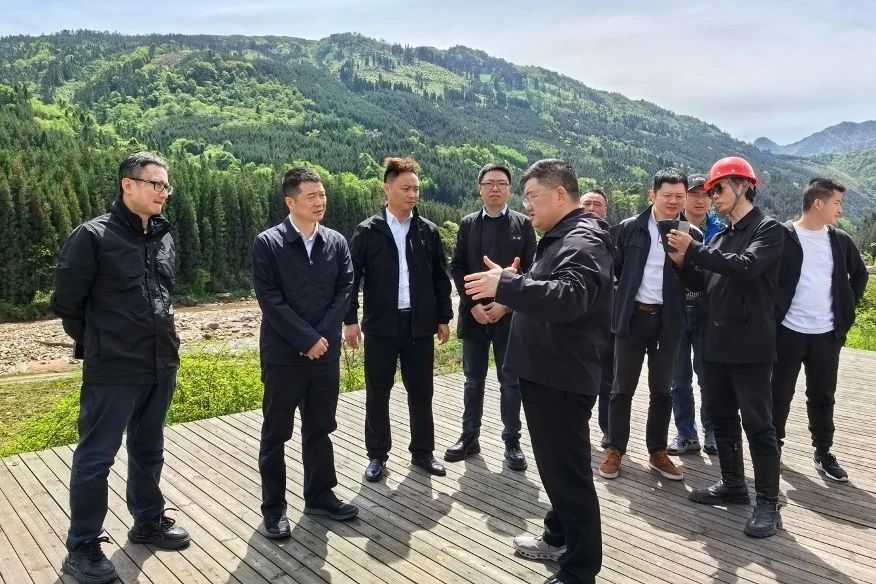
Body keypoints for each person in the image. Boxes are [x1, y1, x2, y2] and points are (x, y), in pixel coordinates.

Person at [465, 159, 614, 584]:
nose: (526, 205)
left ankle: (580, 569)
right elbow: (548, 288)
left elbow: (570, 297)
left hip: (561, 377)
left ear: (560, 194)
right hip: (546, 371)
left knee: (568, 474)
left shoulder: (583, 240)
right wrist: (515, 287)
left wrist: (507, 286)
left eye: (532, 196)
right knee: (554, 468)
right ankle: (558, 536)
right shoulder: (560, 236)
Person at [51, 151, 190, 584]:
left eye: (166, 185)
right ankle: (82, 546)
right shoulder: (92, 236)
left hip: (161, 361)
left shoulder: (163, 236)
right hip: (113, 367)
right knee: (96, 457)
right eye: (155, 184)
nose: (163, 192)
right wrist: (102, 344)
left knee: (149, 447)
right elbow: (68, 305)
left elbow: (163, 296)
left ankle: (147, 520)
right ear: (127, 185)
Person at [667, 155, 785, 538]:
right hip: (715, 343)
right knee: (721, 417)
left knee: (759, 425)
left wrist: (695, 250)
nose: (712, 196)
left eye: (718, 188)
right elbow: (702, 283)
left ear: (743, 186)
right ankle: (733, 485)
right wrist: (681, 263)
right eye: (710, 190)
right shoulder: (719, 237)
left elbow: (747, 267)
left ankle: (768, 503)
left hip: (751, 346)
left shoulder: (768, 230)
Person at [252, 167, 359, 539]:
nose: (320, 201)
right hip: (283, 357)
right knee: (275, 434)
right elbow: (270, 300)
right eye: (311, 195)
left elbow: (345, 290)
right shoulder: (268, 243)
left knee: (320, 429)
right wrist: (305, 339)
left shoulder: (336, 242)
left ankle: (320, 496)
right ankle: (274, 509)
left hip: (325, 355)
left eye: (322, 194)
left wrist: (321, 337)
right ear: (290, 201)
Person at [344, 157, 453, 482]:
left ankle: (423, 452)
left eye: (416, 189)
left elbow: (440, 278)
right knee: (378, 391)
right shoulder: (368, 231)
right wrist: (350, 320)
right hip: (381, 326)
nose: (412, 194)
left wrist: (444, 317)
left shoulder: (427, 231)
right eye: (406, 188)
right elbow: (351, 278)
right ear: (387, 189)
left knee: (421, 391)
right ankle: (377, 455)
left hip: (419, 325)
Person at [599, 169, 702, 482]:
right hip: (632, 318)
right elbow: (612, 271)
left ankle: (657, 451)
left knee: (662, 390)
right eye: (667, 195)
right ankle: (615, 448)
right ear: (652, 195)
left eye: (679, 196)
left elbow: (697, 282)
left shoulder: (691, 235)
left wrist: (683, 259)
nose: (673, 201)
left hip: (667, 321)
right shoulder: (629, 228)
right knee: (621, 388)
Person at [772, 178, 868, 482]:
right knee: (778, 394)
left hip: (826, 334)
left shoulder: (839, 240)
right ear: (818, 203)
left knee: (823, 395)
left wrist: (845, 308)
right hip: (787, 331)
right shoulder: (782, 236)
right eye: (837, 203)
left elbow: (860, 274)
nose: (840, 209)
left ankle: (823, 452)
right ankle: (773, 448)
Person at [444, 163, 536, 470]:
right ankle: (470, 436)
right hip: (474, 315)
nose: (495, 188)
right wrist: (472, 304)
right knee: (473, 380)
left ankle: (512, 441)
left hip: (510, 317)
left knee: (510, 381)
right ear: (480, 188)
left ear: (510, 189)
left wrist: (505, 305)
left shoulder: (523, 224)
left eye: (501, 183)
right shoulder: (468, 224)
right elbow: (457, 266)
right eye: (489, 183)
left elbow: (532, 270)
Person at [668, 174, 724, 456]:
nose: (700, 200)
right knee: (678, 380)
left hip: (709, 312)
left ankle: (712, 431)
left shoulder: (722, 231)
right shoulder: (669, 227)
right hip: (676, 310)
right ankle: (686, 434)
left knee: (709, 377)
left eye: (706, 194)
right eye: (694, 194)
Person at [580, 189, 614, 448]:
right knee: (579, 378)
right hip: (578, 324)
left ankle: (608, 429)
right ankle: (578, 427)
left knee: (608, 380)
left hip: (609, 322)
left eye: (597, 204)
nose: (592, 208)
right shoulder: (568, 236)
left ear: (606, 210)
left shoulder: (615, 238)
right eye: (587, 203)